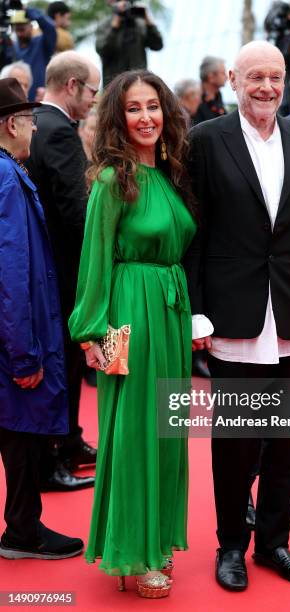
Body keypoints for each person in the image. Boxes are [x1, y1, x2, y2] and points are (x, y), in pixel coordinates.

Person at [184, 40, 290, 591]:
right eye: (255, 77)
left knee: (284, 445)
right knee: (236, 442)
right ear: (232, 79)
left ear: (286, 78)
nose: (267, 87)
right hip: (232, 318)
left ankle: (275, 544)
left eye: (275, 76)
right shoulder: (205, 141)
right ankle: (231, 547)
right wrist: (198, 316)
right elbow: (193, 239)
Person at [69, 69, 196, 597]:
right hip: (129, 315)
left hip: (168, 311)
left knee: (166, 428)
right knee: (134, 430)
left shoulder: (170, 173)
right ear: (118, 119)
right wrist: (91, 333)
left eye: (153, 107)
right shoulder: (109, 179)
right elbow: (94, 261)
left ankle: (156, 538)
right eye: (133, 109)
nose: (146, 118)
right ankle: (132, 550)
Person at [0, 77, 83, 560]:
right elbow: (11, 273)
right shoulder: (7, 178)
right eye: (29, 120)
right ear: (12, 124)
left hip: (21, 332)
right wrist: (24, 353)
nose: (34, 129)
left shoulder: (10, 173)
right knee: (22, 435)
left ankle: (22, 528)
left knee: (18, 434)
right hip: (21, 337)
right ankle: (22, 532)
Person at [26, 51, 100, 491]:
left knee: (67, 365)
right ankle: (55, 454)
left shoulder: (38, 123)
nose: (93, 99)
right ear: (72, 85)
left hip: (47, 270)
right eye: (92, 90)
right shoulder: (59, 132)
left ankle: (68, 442)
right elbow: (78, 211)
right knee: (65, 365)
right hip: (66, 272)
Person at [96, 0, 163, 86]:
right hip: (113, 84)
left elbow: (157, 45)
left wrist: (149, 21)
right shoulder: (105, 25)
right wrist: (114, 28)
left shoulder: (139, 24)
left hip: (138, 82)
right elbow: (102, 50)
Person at [10, 8, 56, 101]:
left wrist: (29, 11)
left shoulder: (41, 43)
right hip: (17, 103)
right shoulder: (12, 48)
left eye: (22, 29)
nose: (20, 34)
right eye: (17, 29)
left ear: (31, 26)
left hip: (39, 102)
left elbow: (50, 28)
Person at [192, 56, 228, 125]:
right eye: (223, 73)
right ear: (211, 77)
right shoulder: (194, 100)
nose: (227, 77)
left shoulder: (218, 96)